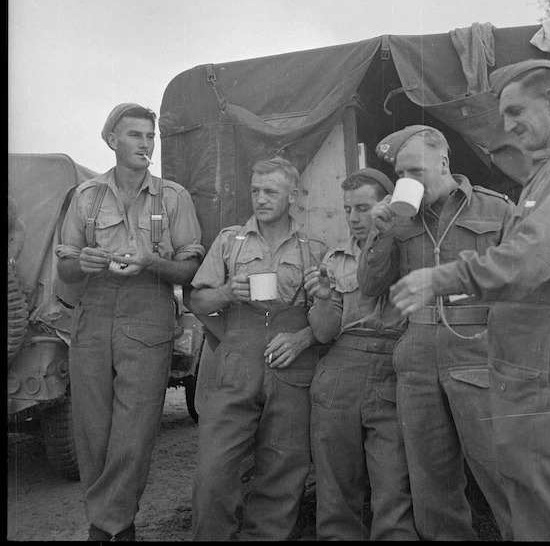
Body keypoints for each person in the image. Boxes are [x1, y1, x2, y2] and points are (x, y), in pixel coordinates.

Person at [390, 60, 550, 541]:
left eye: (517, 110)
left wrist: (441, 277)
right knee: (533, 507)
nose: (510, 125)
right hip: (530, 364)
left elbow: (526, 261)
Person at [56, 103, 205, 542]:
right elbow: (65, 271)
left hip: (148, 314)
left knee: (134, 434)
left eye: (150, 136)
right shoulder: (85, 198)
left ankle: (107, 529)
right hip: (93, 314)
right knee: (92, 433)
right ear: (112, 140)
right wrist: (82, 262)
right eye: (136, 136)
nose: (146, 144)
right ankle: (116, 524)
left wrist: (152, 262)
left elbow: (189, 269)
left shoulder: (173, 197)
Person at [358, 124, 514, 541]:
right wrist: (379, 232)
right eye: (400, 175)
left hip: (478, 353)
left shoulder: (496, 210)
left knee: (505, 476)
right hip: (417, 360)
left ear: (444, 161)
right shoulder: (396, 218)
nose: (407, 182)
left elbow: (525, 283)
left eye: (416, 171)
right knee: (432, 487)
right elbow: (371, 288)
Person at [188, 156, 327, 541]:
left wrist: (304, 338)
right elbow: (197, 302)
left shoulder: (314, 247)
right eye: (255, 190)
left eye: (271, 191)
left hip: (292, 360)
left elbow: (331, 316)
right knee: (213, 472)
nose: (261, 199)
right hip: (238, 358)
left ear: (293, 196)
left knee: (283, 470)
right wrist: (225, 293)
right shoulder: (230, 240)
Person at [304, 168, 418, 541]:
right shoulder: (336, 259)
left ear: (386, 206)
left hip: (393, 368)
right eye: (348, 209)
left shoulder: (411, 250)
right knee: (336, 494)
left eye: (363, 208)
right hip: (341, 370)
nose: (354, 218)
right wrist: (321, 300)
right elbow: (323, 332)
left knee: (394, 489)